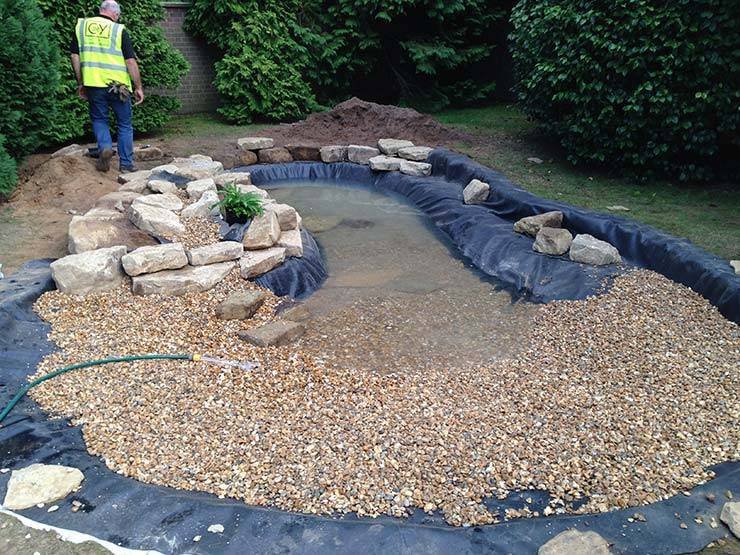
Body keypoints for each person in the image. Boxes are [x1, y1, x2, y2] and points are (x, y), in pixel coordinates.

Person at [70, 0, 144, 173]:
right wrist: (138, 86)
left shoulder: (81, 27)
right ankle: (126, 164)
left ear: (101, 10)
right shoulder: (118, 30)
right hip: (119, 87)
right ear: (115, 14)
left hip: (94, 84)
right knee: (124, 124)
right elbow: (130, 61)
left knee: (99, 119)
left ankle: (105, 147)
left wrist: (81, 82)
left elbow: (75, 57)